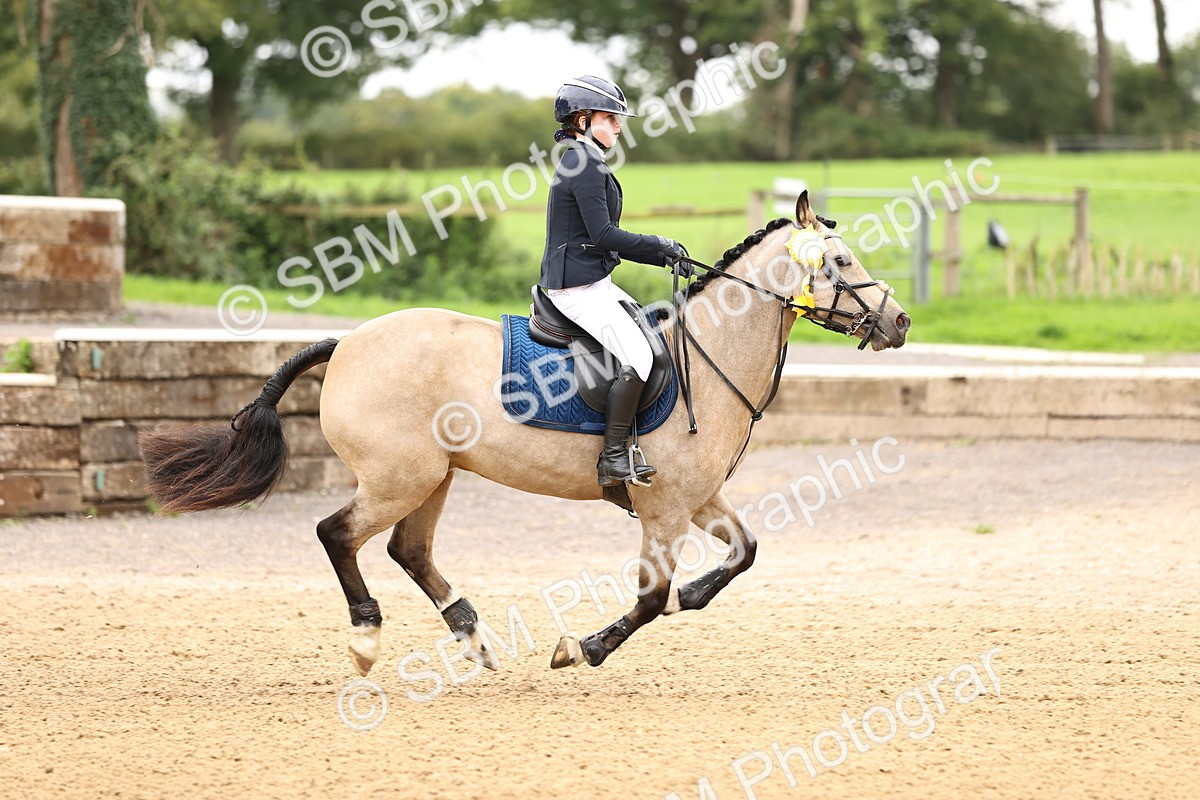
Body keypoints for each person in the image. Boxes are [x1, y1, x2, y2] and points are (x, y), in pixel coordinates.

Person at [538, 75, 689, 488]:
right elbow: (604, 235)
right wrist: (659, 247)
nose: (619, 126)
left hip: (593, 280)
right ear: (583, 119)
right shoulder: (582, 164)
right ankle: (613, 457)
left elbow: (600, 239)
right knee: (639, 358)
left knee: (654, 336)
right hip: (576, 288)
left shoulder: (585, 160)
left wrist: (663, 252)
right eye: (611, 117)